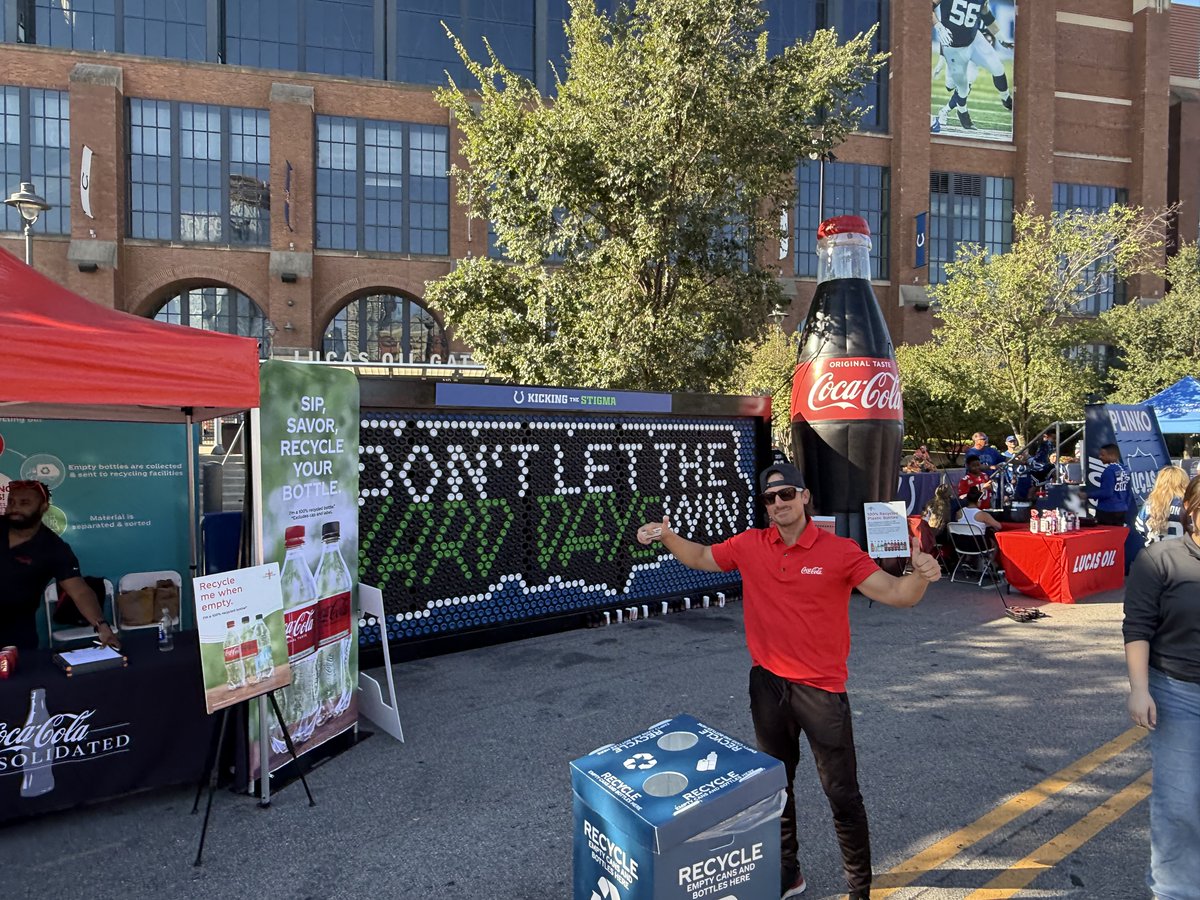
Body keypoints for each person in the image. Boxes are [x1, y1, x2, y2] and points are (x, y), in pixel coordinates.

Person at [637, 463, 941, 900]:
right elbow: (703, 557)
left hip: (821, 691)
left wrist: (920, 574)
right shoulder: (749, 545)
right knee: (775, 788)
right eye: (769, 498)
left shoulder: (840, 551)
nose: (778, 503)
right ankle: (787, 873)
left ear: (805, 497)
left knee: (843, 797)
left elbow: (897, 594)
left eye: (786, 494)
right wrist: (666, 536)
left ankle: (859, 890)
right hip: (768, 685)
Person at [1123, 474, 1200, 900]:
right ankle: (1175, 892)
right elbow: (1137, 627)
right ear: (1191, 510)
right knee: (1181, 803)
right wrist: (1139, 688)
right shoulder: (1161, 559)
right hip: (1179, 692)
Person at [0, 480, 118, 650]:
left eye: (24, 502)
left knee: (19, 675)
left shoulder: (54, 548)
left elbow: (79, 591)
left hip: (16, 632)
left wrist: (102, 626)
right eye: (11, 502)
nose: (14, 507)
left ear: (43, 507)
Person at [930, 0, 1013, 134]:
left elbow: (986, 15)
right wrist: (939, 26)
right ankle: (962, 112)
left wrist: (1001, 38)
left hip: (974, 39)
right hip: (954, 47)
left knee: (998, 67)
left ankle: (1006, 99)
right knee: (961, 88)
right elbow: (927, 6)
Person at [1135, 464, 1189, 544]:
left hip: (1153, 554)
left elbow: (1140, 528)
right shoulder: (1186, 505)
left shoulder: (1149, 504)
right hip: (1181, 553)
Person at [1086, 443, 1132, 526]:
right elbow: (1129, 491)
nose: (1100, 457)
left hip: (1106, 511)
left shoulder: (1109, 471)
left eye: (1102, 455)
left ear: (1112, 455)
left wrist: (1087, 495)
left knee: (1104, 537)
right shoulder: (1125, 469)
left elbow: (1107, 492)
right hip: (1121, 510)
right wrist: (1125, 506)